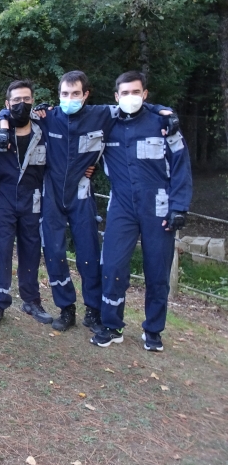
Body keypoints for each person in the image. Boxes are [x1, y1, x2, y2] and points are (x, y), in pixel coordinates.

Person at [28, 70, 178, 332]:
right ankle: (66, 308)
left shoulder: (103, 115)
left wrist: (164, 111)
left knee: (89, 254)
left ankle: (94, 310)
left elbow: (133, 104)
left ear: (86, 94)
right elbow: (14, 115)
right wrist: (38, 109)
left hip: (82, 194)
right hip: (51, 193)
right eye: (65, 93)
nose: (70, 98)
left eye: (76, 93)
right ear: (58, 94)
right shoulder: (48, 117)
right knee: (54, 253)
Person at [91, 71, 192, 351]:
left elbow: (181, 164)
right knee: (112, 266)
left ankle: (153, 330)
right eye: (125, 93)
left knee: (157, 271)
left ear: (145, 94)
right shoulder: (107, 124)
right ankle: (112, 325)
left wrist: (179, 207)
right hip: (121, 205)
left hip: (158, 206)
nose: (130, 97)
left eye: (136, 92)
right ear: (116, 96)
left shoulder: (164, 124)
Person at [0, 80, 52, 327]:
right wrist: (3, 121)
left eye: (26, 99)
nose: (21, 104)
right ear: (7, 103)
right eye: (16, 100)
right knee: (0, 249)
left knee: (31, 249)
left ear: (33, 101)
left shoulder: (44, 128)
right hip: (3, 196)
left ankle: (32, 300)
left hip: (32, 197)